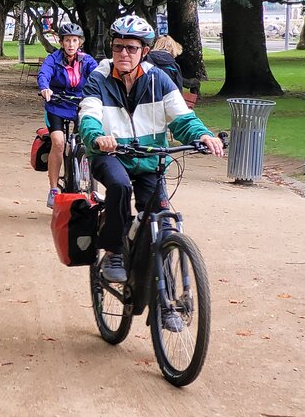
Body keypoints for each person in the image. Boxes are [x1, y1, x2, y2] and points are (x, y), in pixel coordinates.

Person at [79, 15, 224, 287]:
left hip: (149, 160)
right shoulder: (98, 78)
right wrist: (97, 137)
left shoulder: (159, 80)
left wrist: (202, 135)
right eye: (118, 47)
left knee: (160, 222)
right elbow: (88, 115)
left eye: (131, 48)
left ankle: (167, 296)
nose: (123, 53)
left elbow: (182, 117)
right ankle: (113, 252)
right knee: (120, 186)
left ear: (144, 51)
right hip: (110, 155)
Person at [37, 23, 98, 208]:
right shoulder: (53, 59)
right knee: (58, 142)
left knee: (87, 141)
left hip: (79, 105)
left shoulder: (86, 60)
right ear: (61, 42)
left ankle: (89, 184)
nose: (71, 44)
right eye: (67, 40)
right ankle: (54, 189)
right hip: (56, 104)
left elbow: (98, 76)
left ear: (80, 42)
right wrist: (45, 88)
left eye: (74, 40)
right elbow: (43, 74)